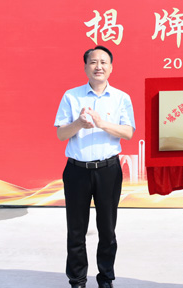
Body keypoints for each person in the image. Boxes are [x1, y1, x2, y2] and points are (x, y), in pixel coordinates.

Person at [54, 46, 135, 288]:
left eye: (103, 62)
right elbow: (61, 134)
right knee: (76, 230)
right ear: (85, 67)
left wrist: (102, 123)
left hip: (108, 170)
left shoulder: (121, 98)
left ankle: (105, 278)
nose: (98, 66)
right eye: (93, 62)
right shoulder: (71, 96)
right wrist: (79, 123)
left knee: (107, 229)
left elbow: (128, 132)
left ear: (111, 67)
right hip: (77, 170)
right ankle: (77, 280)